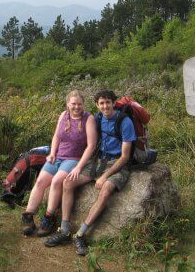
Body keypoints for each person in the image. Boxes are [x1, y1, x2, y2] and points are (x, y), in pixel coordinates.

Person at [44, 89, 135, 255]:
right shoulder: (98, 118)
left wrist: (104, 176)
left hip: (117, 163)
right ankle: (64, 230)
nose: (105, 106)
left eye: (108, 102)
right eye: (101, 103)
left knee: (105, 190)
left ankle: (80, 234)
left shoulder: (125, 122)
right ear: (97, 105)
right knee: (68, 182)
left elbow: (125, 157)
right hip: (99, 160)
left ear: (114, 103)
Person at [21, 90, 97, 237]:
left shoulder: (88, 118)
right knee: (41, 181)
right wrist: (52, 153)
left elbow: (91, 145)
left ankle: (48, 219)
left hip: (73, 158)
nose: (76, 107)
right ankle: (28, 216)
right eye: (73, 104)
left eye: (79, 104)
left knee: (56, 182)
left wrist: (79, 166)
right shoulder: (63, 115)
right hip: (57, 157)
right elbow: (56, 136)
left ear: (83, 104)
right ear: (68, 104)